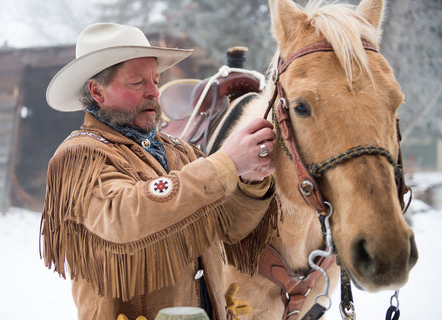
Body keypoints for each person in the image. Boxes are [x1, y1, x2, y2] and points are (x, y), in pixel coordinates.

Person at [40, 23, 278, 320]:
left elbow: (229, 226)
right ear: (97, 91)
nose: (154, 92)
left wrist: (249, 179)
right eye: (138, 82)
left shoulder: (181, 151)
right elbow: (123, 218)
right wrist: (226, 164)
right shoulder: (79, 156)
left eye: (156, 79)